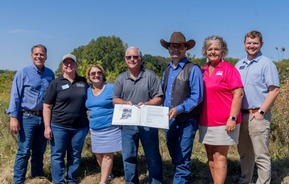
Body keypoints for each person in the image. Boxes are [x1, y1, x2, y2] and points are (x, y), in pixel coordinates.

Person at [113, 47, 163, 183]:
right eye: (129, 57)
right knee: (128, 156)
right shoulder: (121, 78)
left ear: (140, 58)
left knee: (152, 156)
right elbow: (115, 99)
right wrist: (125, 102)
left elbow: (159, 97)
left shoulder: (150, 76)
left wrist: (148, 104)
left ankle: (156, 182)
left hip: (148, 123)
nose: (132, 59)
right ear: (125, 60)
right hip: (128, 125)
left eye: (135, 57)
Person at [5, 44, 54, 184]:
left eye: (42, 54)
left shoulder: (50, 74)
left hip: (43, 118)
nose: (39, 56)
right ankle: (18, 181)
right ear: (32, 56)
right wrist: (13, 117)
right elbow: (15, 95)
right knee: (24, 151)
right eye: (36, 54)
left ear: (46, 56)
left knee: (39, 152)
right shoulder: (23, 73)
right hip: (27, 117)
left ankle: (37, 179)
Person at [236, 30, 280, 184]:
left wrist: (261, 112)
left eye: (255, 43)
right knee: (244, 153)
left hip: (258, 115)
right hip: (242, 116)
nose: (251, 46)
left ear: (261, 44)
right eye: (249, 43)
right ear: (244, 44)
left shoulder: (266, 64)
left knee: (261, 155)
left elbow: (274, 90)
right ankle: (245, 180)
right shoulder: (239, 64)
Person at [199, 35, 243, 184]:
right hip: (206, 121)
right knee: (210, 156)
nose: (213, 51)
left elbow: (238, 94)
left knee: (219, 156)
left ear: (223, 51)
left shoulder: (229, 69)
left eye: (216, 49)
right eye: (209, 49)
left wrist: (232, 118)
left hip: (224, 122)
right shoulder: (202, 71)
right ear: (205, 51)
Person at [160, 32, 203, 183]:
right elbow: (162, 94)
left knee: (183, 157)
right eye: (173, 46)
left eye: (179, 47)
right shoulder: (167, 70)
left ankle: (180, 179)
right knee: (174, 153)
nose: (176, 49)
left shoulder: (193, 69)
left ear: (185, 49)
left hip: (187, 120)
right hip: (169, 120)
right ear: (169, 49)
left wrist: (179, 109)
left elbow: (197, 97)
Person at [43, 54, 89, 184]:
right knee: (57, 155)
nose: (69, 65)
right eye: (66, 63)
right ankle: (58, 181)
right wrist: (47, 127)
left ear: (76, 65)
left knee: (75, 155)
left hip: (79, 127)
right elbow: (47, 106)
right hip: (59, 126)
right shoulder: (56, 83)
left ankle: (72, 179)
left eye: (72, 63)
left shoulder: (83, 82)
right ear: (62, 66)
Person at [85, 65, 122, 184]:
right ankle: (109, 174)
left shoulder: (111, 88)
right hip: (95, 129)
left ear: (103, 74)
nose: (96, 75)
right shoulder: (88, 91)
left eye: (99, 72)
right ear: (89, 77)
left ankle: (103, 181)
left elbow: (121, 102)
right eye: (93, 73)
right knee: (98, 155)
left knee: (107, 155)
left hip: (110, 127)